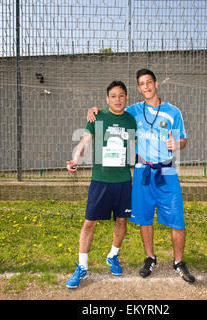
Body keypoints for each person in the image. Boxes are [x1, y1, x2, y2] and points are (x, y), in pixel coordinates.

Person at [87, 69, 195, 283]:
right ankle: (150, 258)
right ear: (138, 88)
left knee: (177, 219)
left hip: (166, 171)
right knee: (144, 218)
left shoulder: (173, 111)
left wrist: (178, 144)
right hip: (142, 170)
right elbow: (114, 110)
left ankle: (178, 262)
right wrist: (94, 110)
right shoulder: (134, 111)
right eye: (141, 84)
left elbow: (183, 139)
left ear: (156, 84)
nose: (146, 87)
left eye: (149, 82)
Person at [66, 80, 136, 289]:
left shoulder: (131, 120)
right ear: (107, 99)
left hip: (123, 181)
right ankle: (83, 266)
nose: (117, 99)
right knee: (89, 223)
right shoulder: (98, 117)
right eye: (113, 96)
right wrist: (75, 160)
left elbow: (134, 147)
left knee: (122, 221)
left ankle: (113, 256)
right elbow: (85, 141)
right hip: (100, 180)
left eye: (121, 95)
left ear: (126, 98)